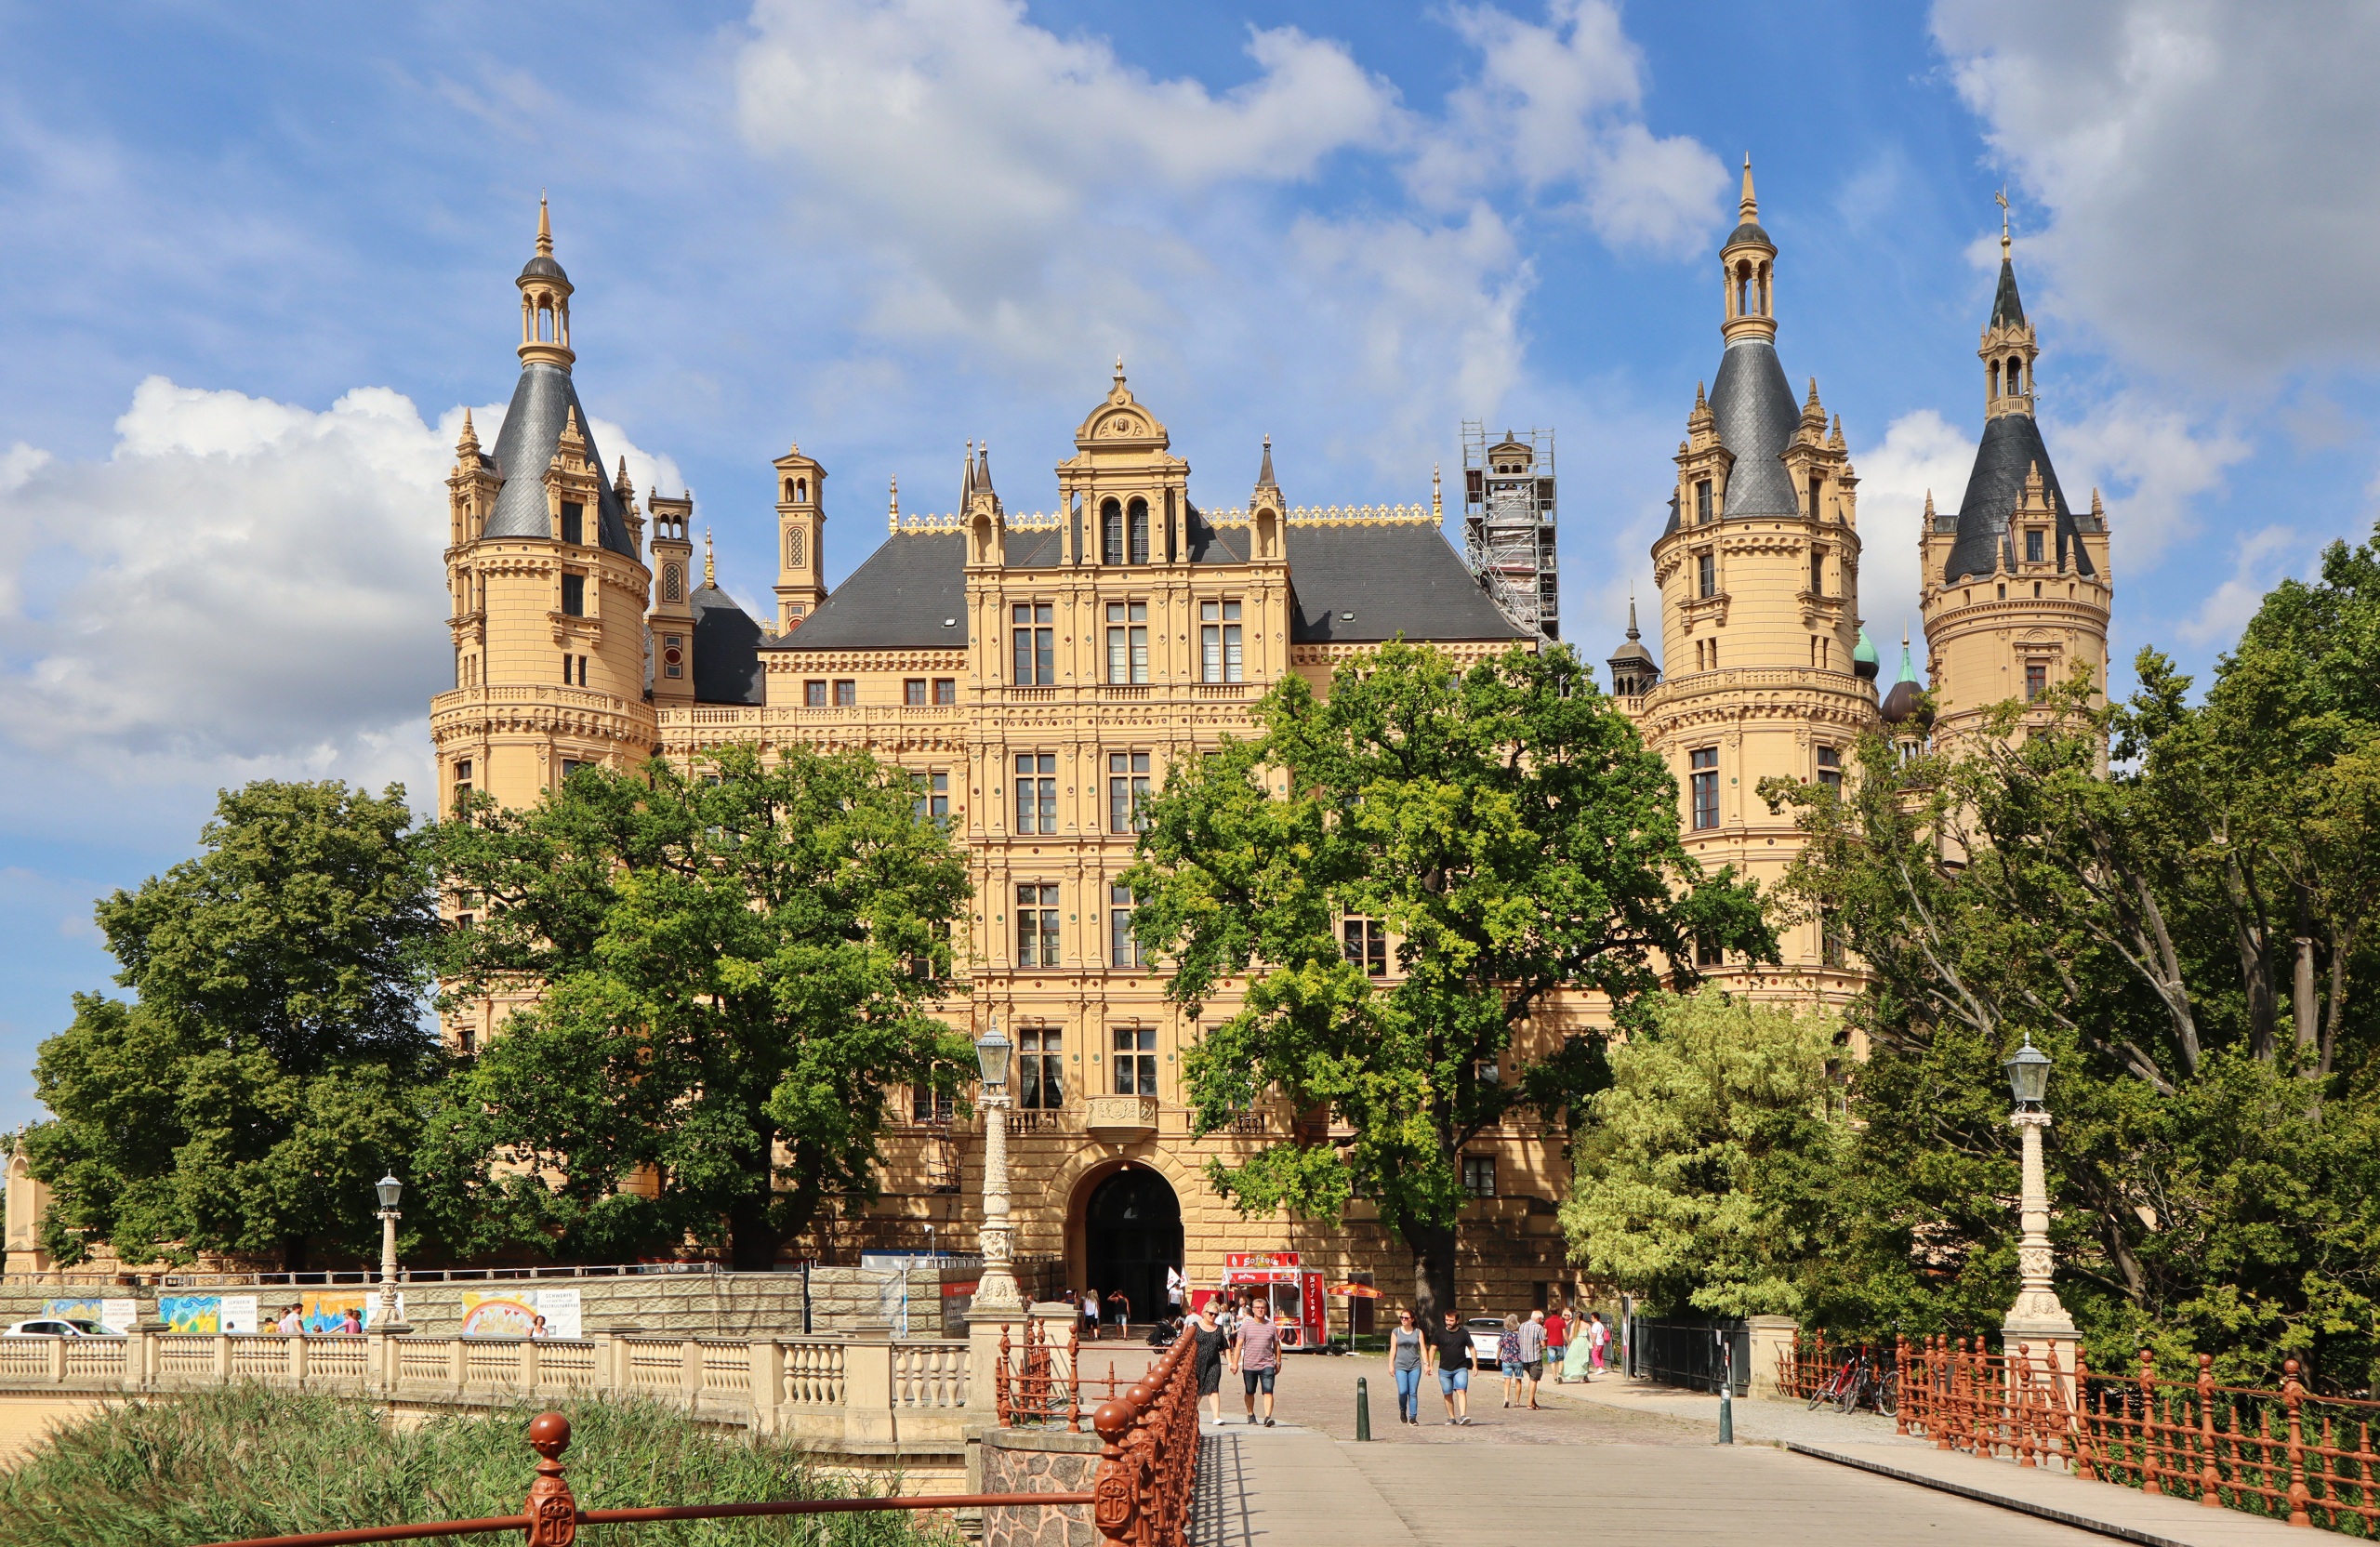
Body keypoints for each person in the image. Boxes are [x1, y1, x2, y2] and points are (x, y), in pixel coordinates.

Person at [1230, 1299, 1282, 1426]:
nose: (1260, 1310)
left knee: (1268, 1390)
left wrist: (1278, 1362)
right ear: (1252, 1310)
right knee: (1250, 1391)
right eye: (1257, 1307)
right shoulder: (1246, 1326)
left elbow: (1277, 1345)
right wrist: (1235, 1363)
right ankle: (1251, 1414)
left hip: (1267, 1364)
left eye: (1262, 1308)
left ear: (1266, 1309)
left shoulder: (1271, 1326)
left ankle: (1267, 1417)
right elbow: (1239, 1344)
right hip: (1249, 1364)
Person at [1428, 1309, 1474, 1425]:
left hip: (1460, 1367)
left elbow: (1472, 1349)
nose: (1448, 1322)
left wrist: (1475, 1365)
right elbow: (1433, 1349)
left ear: (1457, 1320)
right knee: (1447, 1393)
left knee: (1461, 1390)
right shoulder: (1439, 1333)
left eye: (1451, 1320)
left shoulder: (1464, 1333)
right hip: (1444, 1369)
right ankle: (1451, 1417)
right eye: (1447, 1320)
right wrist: (1429, 1365)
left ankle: (1463, 1416)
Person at [1191, 1302, 1230, 1426]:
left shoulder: (1218, 1329)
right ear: (1204, 1313)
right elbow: (1186, 1344)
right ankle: (1190, 1413)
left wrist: (1230, 1363)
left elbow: (1225, 1347)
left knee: (1213, 1387)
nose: (1213, 1316)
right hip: (1197, 1363)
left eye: (1216, 1314)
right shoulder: (1194, 1327)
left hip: (1214, 1363)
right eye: (1211, 1313)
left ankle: (1216, 1417)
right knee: (1198, 1389)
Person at [1389, 1308, 1425, 1425]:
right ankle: (1403, 1409)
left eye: (1406, 1318)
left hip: (1415, 1365)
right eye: (1402, 1318)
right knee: (1403, 1391)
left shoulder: (1418, 1332)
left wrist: (1427, 1364)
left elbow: (1423, 1349)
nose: (1403, 1320)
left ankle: (1413, 1417)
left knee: (1413, 1392)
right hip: (1400, 1365)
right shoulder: (1396, 1332)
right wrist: (1391, 1365)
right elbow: (1393, 1348)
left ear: (1412, 1320)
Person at [1518, 1309, 1547, 1408]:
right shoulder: (1538, 1327)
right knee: (1534, 1379)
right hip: (1535, 1357)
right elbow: (1543, 1344)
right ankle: (1530, 1403)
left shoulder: (1522, 1325)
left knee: (1532, 1379)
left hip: (1523, 1357)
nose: (1542, 1322)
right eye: (1541, 1320)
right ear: (1539, 1319)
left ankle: (1533, 1402)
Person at [1497, 1314, 1525, 1408]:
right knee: (1518, 1380)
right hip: (1518, 1360)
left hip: (1506, 1359)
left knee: (1507, 1380)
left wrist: (1497, 1359)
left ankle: (1506, 1398)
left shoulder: (1504, 1334)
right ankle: (1517, 1401)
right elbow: (1523, 1348)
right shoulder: (1519, 1335)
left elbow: (1500, 1348)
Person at [1563, 1308, 1594, 1383]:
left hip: (1575, 1342)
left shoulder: (1573, 1324)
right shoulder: (1587, 1325)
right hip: (1583, 1342)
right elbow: (1591, 1335)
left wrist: (1569, 1343)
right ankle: (1583, 1376)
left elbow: (1570, 1336)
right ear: (1583, 1317)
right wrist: (1594, 1342)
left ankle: (1579, 1376)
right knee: (1584, 1359)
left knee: (1576, 1359)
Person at [1544, 1304, 1569, 1384]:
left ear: (1551, 1312)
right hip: (1559, 1343)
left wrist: (1544, 1342)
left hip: (1550, 1343)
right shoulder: (1561, 1321)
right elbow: (1564, 1333)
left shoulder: (1547, 1321)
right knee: (1561, 1360)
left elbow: (1545, 1333)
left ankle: (1555, 1378)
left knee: (1552, 1361)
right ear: (1558, 1312)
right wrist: (1569, 1342)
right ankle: (1559, 1374)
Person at [1590, 1311, 1611, 1376]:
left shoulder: (1595, 1325)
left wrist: (1594, 1343)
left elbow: (1594, 1335)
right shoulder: (1601, 1324)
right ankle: (1602, 1367)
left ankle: (1599, 1368)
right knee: (1599, 1356)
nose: (1591, 1318)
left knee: (1594, 1355)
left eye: (1592, 1317)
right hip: (1601, 1342)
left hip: (1597, 1342)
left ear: (1595, 1317)